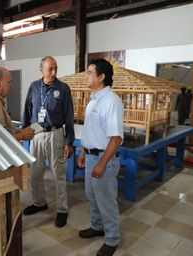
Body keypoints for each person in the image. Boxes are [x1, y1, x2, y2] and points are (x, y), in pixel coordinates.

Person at [77, 59, 124, 256]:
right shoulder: (94, 99)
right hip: (90, 156)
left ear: (101, 76)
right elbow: (91, 130)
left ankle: (112, 239)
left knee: (106, 201)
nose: (86, 76)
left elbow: (116, 137)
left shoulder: (111, 101)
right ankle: (97, 227)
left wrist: (103, 163)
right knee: (92, 196)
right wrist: (82, 151)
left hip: (103, 159)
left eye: (89, 72)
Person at [22, 56, 75, 228]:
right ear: (41, 70)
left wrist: (70, 141)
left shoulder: (63, 88)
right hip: (36, 133)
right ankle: (39, 202)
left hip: (56, 133)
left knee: (58, 174)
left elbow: (69, 115)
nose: (53, 72)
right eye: (50, 69)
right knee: (35, 173)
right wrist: (24, 132)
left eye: (55, 69)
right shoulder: (34, 86)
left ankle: (62, 209)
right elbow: (28, 110)